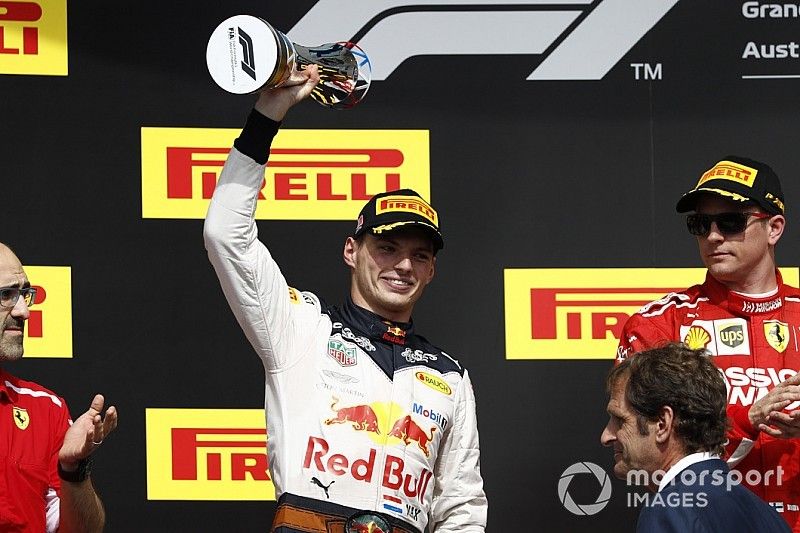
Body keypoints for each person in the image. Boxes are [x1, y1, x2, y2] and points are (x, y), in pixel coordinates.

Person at [203, 64, 486, 533]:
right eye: (387, 248)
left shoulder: (449, 375)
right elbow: (225, 235)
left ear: (432, 270)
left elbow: (461, 509)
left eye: (419, 255)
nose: (403, 266)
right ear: (351, 251)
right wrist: (265, 118)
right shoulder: (302, 329)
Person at [617, 156, 800, 531]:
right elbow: (643, 448)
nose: (713, 236)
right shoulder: (657, 325)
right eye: (700, 224)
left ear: (774, 228)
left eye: (730, 222)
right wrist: (747, 419)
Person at [601, 342, 790, 532]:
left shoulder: (669, 510)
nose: (606, 436)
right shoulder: (771, 519)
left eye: (620, 420)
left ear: (662, 424)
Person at [0, 242, 118, 532]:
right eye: (6, 295)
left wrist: (74, 471)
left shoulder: (45, 409)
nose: (24, 312)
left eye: (25, 294)